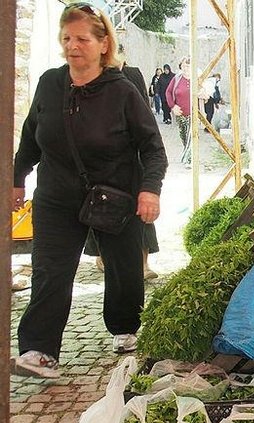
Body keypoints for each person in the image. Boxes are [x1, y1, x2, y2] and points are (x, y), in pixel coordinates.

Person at [10, 3, 167, 378]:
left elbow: (153, 148)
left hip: (114, 195)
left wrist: (149, 190)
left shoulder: (122, 90)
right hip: (56, 196)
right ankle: (39, 351)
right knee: (49, 270)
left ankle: (125, 327)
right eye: (67, 38)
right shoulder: (50, 83)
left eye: (82, 38)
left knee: (123, 268)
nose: (72, 46)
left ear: (103, 44)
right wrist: (16, 179)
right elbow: (31, 136)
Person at [84, 49, 161, 281]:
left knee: (140, 210)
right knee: (97, 206)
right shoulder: (87, 76)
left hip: (131, 155)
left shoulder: (131, 74)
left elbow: (144, 114)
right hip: (98, 159)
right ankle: (101, 256)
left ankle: (143, 263)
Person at [166, 56, 192, 163]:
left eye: (188, 66)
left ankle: (189, 159)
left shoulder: (196, 79)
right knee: (184, 137)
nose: (186, 68)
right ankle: (187, 154)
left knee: (191, 137)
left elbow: (203, 92)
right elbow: (168, 92)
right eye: (184, 66)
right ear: (181, 67)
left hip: (193, 114)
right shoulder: (176, 79)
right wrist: (173, 106)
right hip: (180, 114)